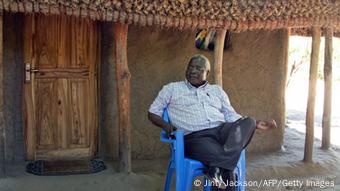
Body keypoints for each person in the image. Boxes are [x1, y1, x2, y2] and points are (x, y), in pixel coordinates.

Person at [148, 54, 276, 191]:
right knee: (225, 164)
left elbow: (230, 115)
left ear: (207, 73)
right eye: (190, 67)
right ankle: (217, 170)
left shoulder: (217, 91)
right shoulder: (171, 89)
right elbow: (152, 112)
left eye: (198, 68)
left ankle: (215, 170)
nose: (193, 71)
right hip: (196, 137)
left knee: (248, 121)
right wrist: (166, 125)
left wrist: (254, 124)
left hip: (221, 131)